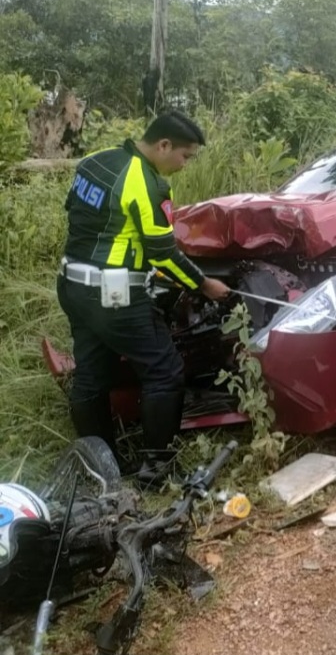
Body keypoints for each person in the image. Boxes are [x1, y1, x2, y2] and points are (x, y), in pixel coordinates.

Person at [57, 110, 231, 485]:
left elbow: (83, 219)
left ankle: (98, 467)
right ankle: (158, 469)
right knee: (165, 371)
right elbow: (163, 253)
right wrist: (204, 285)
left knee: (90, 376)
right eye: (185, 156)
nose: (184, 166)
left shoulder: (95, 161)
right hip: (113, 295)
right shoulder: (147, 183)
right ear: (163, 145)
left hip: (72, 284)